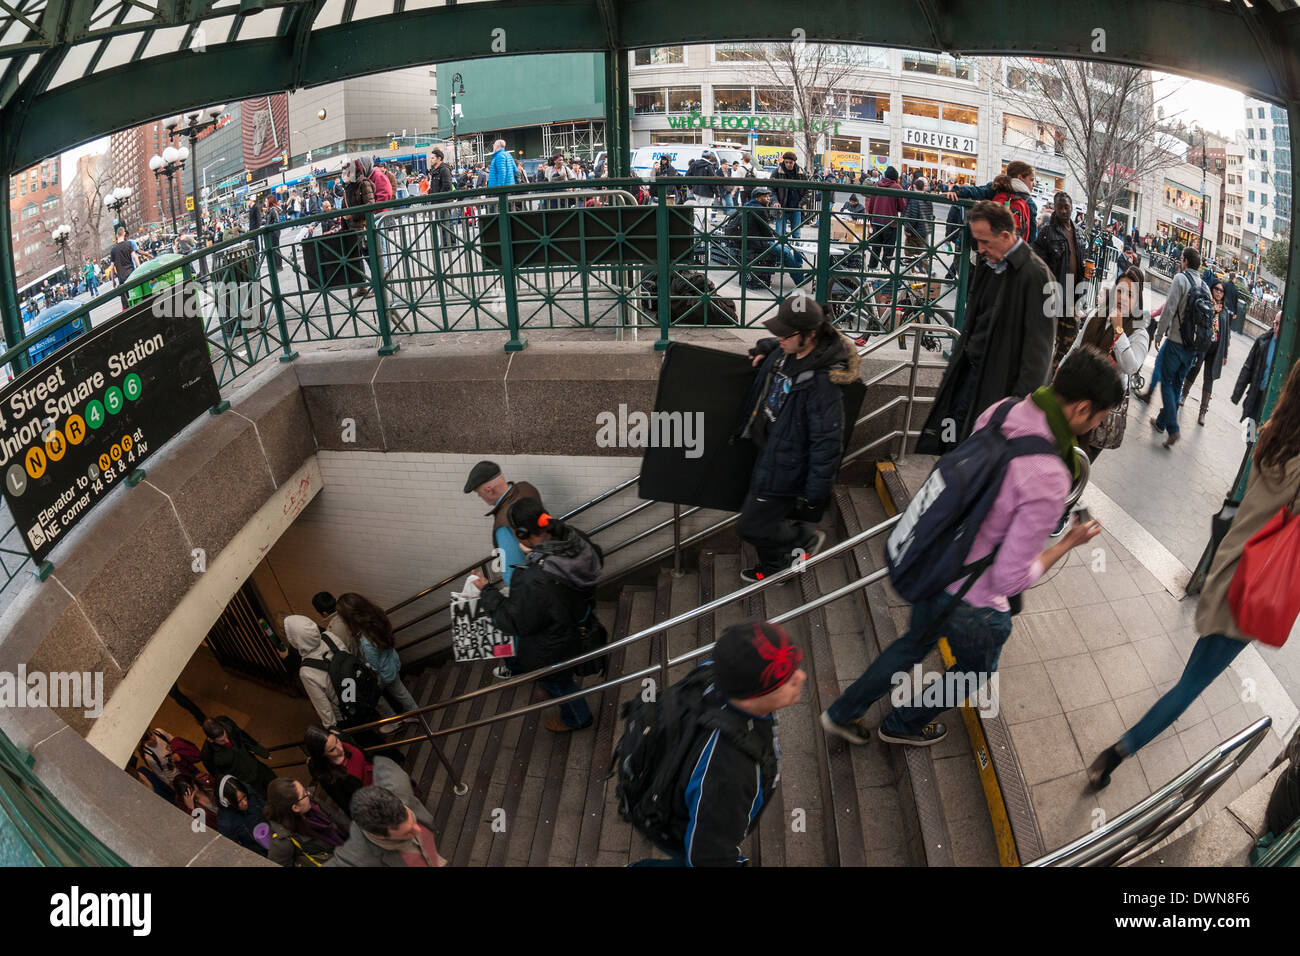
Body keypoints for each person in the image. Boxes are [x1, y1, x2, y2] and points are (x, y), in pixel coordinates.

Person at [823, 347, 1119, 746]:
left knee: (913, 645)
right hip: (972, 599)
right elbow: (1010, 578)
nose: (1096, 427)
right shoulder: (1049, 474)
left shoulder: (1005, 410)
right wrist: (1067, 542)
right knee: (974, 671)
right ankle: (904, 725)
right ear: (1083, 409)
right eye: (1100, 419)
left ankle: (842, 713)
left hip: (938, 562)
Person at [1090, 357, 1300, 789]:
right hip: (1254, 587)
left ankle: (1119, 750)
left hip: (1230, 568)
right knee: (1191, 686)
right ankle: (1117, 752)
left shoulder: (1271, 436)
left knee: (1193, 673)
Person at [628, 621, 806, 867]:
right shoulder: (730, 772)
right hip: (681, 825)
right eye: (785, 677)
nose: (800, 677)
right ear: (753, 694)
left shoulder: (715, 671)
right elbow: (707, 858)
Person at [732, 295, 859, 582]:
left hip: (786, 467)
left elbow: (827, 442)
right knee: (765, 520)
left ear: (810, 335)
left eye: (785, 334)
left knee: (750, 526)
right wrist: (763, 347)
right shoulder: (785, 352)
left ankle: (805, 539)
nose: (779, 338)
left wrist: (816, 491)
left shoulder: (823, 383)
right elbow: (773, 348)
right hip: (768, 451)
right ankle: (775, 567)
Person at [916, 201, 1056, 455]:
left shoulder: (1038, 277)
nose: (980, 248)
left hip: (997, 391)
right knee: (951, 447)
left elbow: (1039, 356)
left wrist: (1016, 412)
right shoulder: (988, 264)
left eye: (985, 241)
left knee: (973, 456)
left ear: (1005, 235)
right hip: (967, 379)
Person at [470, 497, 602, 732]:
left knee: (558, 683)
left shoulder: (535, 578)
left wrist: (487, 591)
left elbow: (515, 622)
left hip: (551, 645)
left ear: (521, 534)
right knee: (557, 678)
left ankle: (577, 718)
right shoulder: (575, 538)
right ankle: (555, 689)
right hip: (575, 623)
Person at [1063, 267, 1150, 460]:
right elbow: (1076, 346)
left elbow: (1131, 367)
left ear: (1137, 302)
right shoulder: (1097, 315)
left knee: (1077, 463)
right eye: (1120, 291)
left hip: (1100, 411)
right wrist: (1059, 372)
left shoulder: (1139, 332)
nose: (1123, 297)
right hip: (1075, 394)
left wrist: (1119, 329)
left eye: (1130, 294)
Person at [283, 615, 390, 736]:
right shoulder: (329, 636)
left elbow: (323, 706)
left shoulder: (306, 670)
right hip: (359, 689)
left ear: (295, 640)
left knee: (365, 738)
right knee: (370, 716)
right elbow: (348, 657)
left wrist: (331, 728)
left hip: (345, 712)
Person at [1149, 245, 1211, 448]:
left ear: (1185, 261)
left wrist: (1159, 334)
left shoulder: (1181, 279)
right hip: (1193, 347)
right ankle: (1161, 423)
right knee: (1177, 384)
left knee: (1167, 382)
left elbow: (1169, 308)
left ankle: (1173, 429)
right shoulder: (1206, 288)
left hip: (1176, 341)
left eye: (1181, 258)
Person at [327, 763, 446, 867]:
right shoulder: (364, 859)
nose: (418, 829)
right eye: (406, 832)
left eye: (410, 818)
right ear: (380, 836)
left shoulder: (399, 787)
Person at [336, 591, 420, 723]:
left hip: (385, 673)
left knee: (381, 697)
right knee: (400, 691)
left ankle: (402, 718)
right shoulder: (377, 615)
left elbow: (375, 667)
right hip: (392, 661)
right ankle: (415, 713)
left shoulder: (366, 642)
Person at [1033, 191, 1090, 375]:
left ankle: (1051, 379)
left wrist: (1088, 272)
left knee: (1069, 344)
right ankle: (1037, 378)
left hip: (1073, 297)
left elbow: (1081, 261)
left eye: (1067, 206)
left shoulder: (1079, 233)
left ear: (1072, 207)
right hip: (1053, 296)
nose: (1064, 210)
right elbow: (1037, 263)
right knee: (1045, 342)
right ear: (1055, 209)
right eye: (1060, 207)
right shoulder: (1046, 233)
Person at [463, 461, 545, 588]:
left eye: (480, 494)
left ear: (488, 490)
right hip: (551, 565)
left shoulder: (503, 524)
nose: (481, 498)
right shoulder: (527, 488)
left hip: (534, 585)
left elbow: (512, 571)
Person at [721, 186, 808, 289]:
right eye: (766, 197)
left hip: (746, 242)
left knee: (781, 249)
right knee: (786, 252)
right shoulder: (760, 210)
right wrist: (774, 237)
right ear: (758, 198)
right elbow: (766, 234)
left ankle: (790, 272)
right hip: (756, 244)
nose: (769, 199)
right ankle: (800, 280)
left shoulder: (746, 207)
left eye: (768, 196)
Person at [1179, 278, 1232, 427]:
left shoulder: (1225, 312)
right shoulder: (1206, 303)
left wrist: (1225, 354)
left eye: (1222, 291)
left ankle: (1203, 412)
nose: (1219, 292)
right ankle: (1183, 395)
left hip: (1215, 350)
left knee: (1209, 379)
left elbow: (1226, 334)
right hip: (1203, 345)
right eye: (1217, 289)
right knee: (1194, 369)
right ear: (1212, 289)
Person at [944, 160, 1039, 243]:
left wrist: (956, 191)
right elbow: (1031, 237)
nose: (1033, 184)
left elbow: (975, 191)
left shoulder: (997, 188)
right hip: (1012, 254)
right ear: (1020, 178)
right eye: (1031, 180)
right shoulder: (1029, 203)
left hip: (988, 248)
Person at [264, 778, 348, 866]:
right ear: (295, 808)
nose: (308, 793)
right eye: (304, 794)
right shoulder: (282, 843)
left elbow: (338, 819)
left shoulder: (311, 803)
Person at [304, 724, 374, 815]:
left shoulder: (341, 737)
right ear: (322, 755)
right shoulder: (328, 777)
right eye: (332, 750)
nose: (340, 749)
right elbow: (346, 804)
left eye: (337, 741)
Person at [200, 716, 276, 795]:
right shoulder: (208, 755)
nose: (227, 740)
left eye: (226, 736)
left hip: (257, 767)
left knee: (276, 784)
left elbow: (244, 737)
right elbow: (219, 775)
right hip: (247, 781)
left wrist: (262, 752)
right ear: (210, 740)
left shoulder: (228, 724)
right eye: (222, 740)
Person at [1233, 309, 1282, 430]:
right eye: (1275, 323)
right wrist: (1237, 394)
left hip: (1273, 402)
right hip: (1257, 396)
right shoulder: (1263, 341)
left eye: (1280, 325)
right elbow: (1248, 368)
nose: (1276, 328)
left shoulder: (1285, 351)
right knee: (1250, 434)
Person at [866, 165, 908, 272]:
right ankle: (884, 273)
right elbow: (902, 207)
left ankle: (871, 270)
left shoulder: (877, 186)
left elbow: (870, 205)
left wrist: (871, 219)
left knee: (875, 249)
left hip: (876, 221)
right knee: (888, 251)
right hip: (890, 224)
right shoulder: (897, 187)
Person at [216, 776, 269, 856]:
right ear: (226, 802)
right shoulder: (226, 824)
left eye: (244, 797)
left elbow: (263, 804)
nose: (245, 803)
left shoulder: (246, 790)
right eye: (239, 801)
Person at [770, 151, 807, 238]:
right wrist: (775, 201)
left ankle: (795, 251)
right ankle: (781, 251)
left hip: (796, 207)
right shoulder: (777, 172)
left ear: (794, 162)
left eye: (791, 162)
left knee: (797, 235)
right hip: (781, 207)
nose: (788, 164)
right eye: (786, 162)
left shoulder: (801, 173)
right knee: (780, 234)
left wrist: (801, 203)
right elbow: (771, 189)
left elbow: (807, 190)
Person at [108, 225, 141, 309]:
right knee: (136, 296)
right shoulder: (128, 244)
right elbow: (135, 257)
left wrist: (113, 281)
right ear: (124, 234)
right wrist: (139, 268)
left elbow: (111, 268)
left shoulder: (113, 250)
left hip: (121, 279)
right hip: (131, 275)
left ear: (116, 235)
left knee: (126, 302)